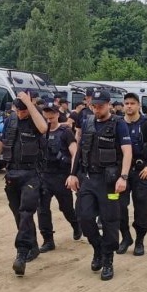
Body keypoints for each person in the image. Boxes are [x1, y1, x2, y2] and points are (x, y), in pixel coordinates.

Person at [0, 91, 48, 277]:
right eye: (18, 110)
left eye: (23, 111)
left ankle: (21, 252)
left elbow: (43, 128)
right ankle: (32, 246)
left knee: (26, 212)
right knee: (19, 214)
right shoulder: (11, 120)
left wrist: (30, 104)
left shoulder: (36, 119)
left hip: (31, 173)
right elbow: (2, 142)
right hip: (12, 174)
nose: (20, 114)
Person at [67, 91, 132, 281]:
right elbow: (80, 150)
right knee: (84, 217)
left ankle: (108, 259)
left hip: (110, 182)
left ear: (109, 104)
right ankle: (98, 249)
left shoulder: (118, 123)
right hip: (89, 179)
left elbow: (127, 152)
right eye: (94, 106)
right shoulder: (87, 122)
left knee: (110, 220)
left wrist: (124, 177)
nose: (97, 109)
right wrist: (72, 174)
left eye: (100, 106)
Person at [117, 92, 147, 256]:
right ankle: (125, 237)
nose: (129, 106)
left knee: (141, 209)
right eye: (126, 103)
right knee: (119, 207)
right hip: (122, 172)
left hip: (141, 172)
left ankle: (139, 240)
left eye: (132, 103)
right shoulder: (117, 123)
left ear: (138, 105)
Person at [37, 102, 82, 252]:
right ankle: (48, 240)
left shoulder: (65, 132)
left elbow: (75, 152)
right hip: (43, 175)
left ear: (57, 114)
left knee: (66, 208)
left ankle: (76, 224)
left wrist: (72, 174)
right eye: (46, 115)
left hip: (60, 176)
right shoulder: (40, 131)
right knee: (42, 209)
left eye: (52, 114)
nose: (49, 118)